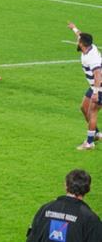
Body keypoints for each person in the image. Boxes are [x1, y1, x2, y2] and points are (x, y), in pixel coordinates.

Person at [26, 169, 102, 241]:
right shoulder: (91, 219)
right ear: (88, 189)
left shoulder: (45, 209)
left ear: (65, 185)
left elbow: (32, 239)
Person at [68, 22, 102, 150]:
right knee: (84, 108)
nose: (77, 42)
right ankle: (97, 134)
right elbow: (80, 35)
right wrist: (74, 28)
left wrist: (96, 92)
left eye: (78, 41)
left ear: (82, 44)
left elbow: (98, 74)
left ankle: (89, 143)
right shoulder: (89, 46)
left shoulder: (91, 58)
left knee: (92, 112)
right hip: (95, 85)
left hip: (99, 86)